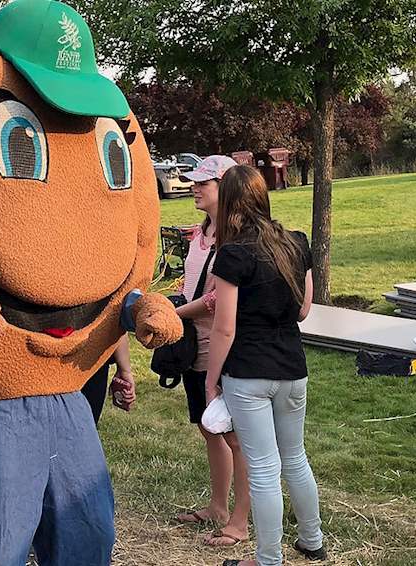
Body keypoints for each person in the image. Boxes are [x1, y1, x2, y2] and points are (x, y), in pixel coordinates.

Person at [206, 165, 325, 565]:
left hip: (248, 371)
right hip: (292, 366)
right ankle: (312, 539)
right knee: (295, 457)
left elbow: (224, 328)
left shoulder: (233, 254)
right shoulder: (295, 242)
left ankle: (268, 558)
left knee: (263, 467)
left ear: (227, 204)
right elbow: (305, 310)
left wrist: (212, 378)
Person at [171, 154, 252, 549]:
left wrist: (170, 313)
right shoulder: (202, 233)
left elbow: (217, 300)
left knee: (235, 435)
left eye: (204, 182)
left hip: (220, 343)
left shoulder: (235, 239)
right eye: (195, 181)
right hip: (195, 343)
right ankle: (219, 507)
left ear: (228, 187)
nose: (195, 187)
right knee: (209, 426)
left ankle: (240, 520)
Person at [79, 336, 135, 423]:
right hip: (91, 364)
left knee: (87, 423)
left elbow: (117, 325)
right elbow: (118, 324)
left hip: (93, 366)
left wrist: (125, 370)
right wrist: (125, 370)